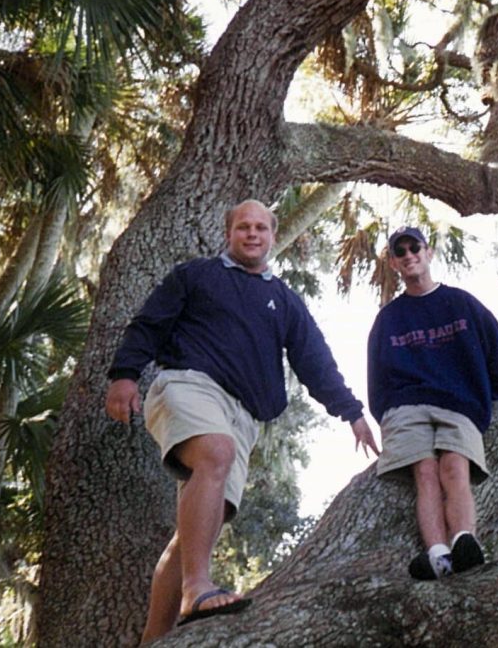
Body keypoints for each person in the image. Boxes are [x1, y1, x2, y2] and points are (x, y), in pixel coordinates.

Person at [105, 200, 379, 641]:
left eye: (260, 228)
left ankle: (155, 638)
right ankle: (198, 587)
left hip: (243, 415)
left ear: (272, 236)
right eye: (242, 227)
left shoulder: (285, 300)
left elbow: (316, 363)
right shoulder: (196, 276)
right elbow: (148, 325)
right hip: (188, 385)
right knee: (215, 452)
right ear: (229, 234)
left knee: (196, 531)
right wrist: (123, 376)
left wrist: (352, 413)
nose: (252, 234)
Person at [368, 226, 498, 579]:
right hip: (407, 406)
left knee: (454, 466)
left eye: (414, 247)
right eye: (400, 252)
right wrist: (386, 413)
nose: (409, 255)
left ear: (428, 252)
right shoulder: (388, 318)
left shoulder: (461, 303)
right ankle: (438, 554)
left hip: (459, 402)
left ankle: (465, 541)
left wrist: (485, 396)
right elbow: (375, 378)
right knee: (425, 473)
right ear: (394, 263)